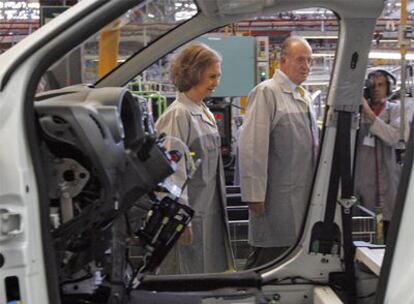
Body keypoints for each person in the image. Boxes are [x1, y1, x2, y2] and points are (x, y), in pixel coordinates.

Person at [239, 36, 318, 268]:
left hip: (302, 192)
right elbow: (252, 145)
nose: (306, 66)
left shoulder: (302, 96)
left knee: (291, 256)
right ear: (282, 61)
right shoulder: (267, 92)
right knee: (268, 259)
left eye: (309, 60)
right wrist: (254, 194)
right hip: (275, 197)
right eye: (300, 59)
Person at [155, 43, 234, 274]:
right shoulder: (178, 115)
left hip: (208, 213)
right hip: (189, 217)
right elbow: (170, 174)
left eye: (218, 76)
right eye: (211, 76)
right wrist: (179, 220)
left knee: (206, 272)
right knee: (185, 275)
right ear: (193, 74)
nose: (216, 83)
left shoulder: (202, 110)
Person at [354, 69, 405, 243]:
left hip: (389, 184)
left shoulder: (396, 110)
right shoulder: (357, 114)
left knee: (389, 232)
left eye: (381, 85)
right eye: (373, 85)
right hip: (364, 185)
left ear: (389, 87)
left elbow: (393, 137)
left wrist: (369, 114)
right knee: (367, 232)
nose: (376, 89)